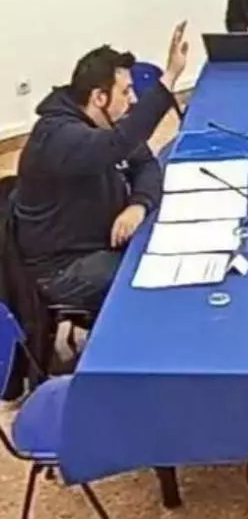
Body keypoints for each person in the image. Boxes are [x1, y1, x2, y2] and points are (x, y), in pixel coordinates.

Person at [14, 23, 190, 310]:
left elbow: (145, 163)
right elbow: (116, 145)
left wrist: (139, 205)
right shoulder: (57, 136)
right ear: (99, 97)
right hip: (64, 268)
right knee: (153, 278)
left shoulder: (106, 122)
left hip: (101, 241)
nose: (133, 100)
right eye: (126, 92)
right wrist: (168, 78)